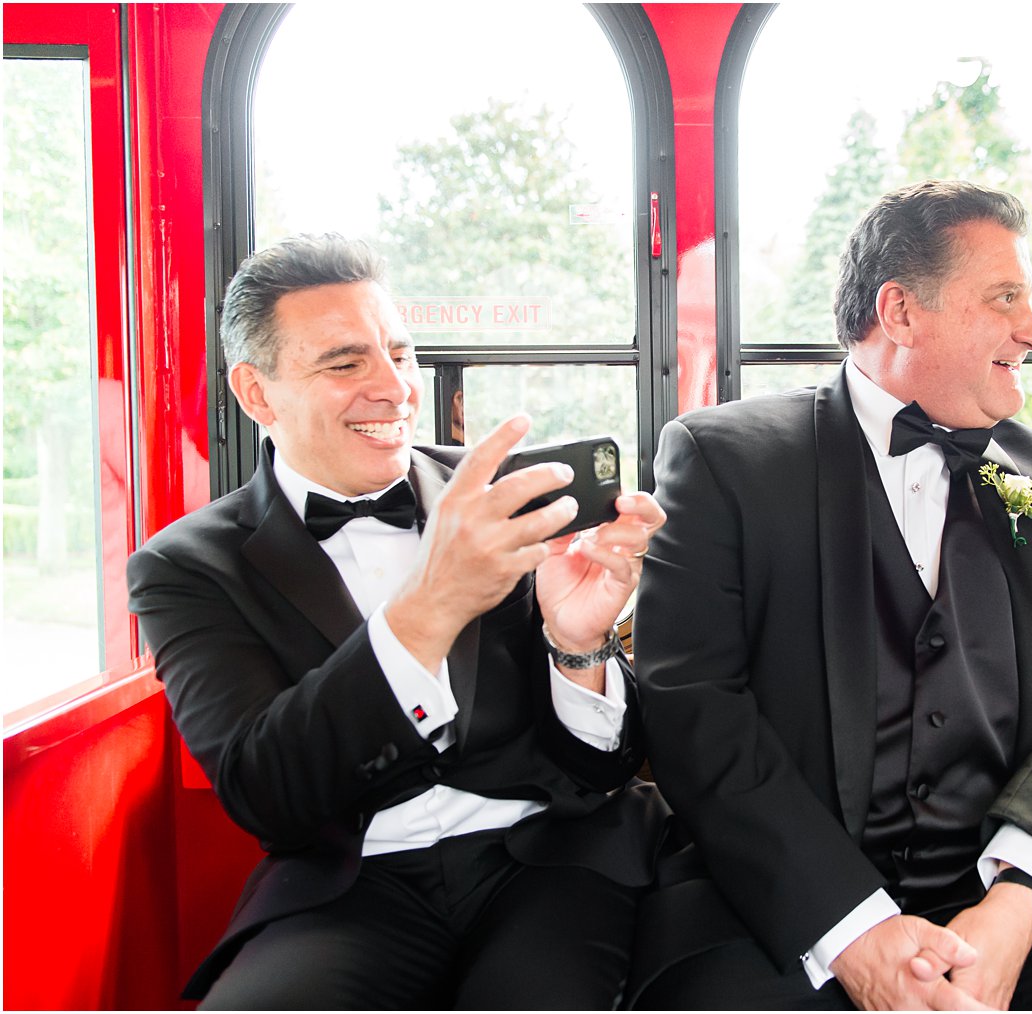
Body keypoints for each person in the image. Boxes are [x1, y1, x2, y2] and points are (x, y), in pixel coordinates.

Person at [629, 180, 1032, 1010]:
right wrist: (852, 929)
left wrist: (1015, 907)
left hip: (1002, 878)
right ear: (902, 312)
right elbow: (695, 713)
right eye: (1006, 299)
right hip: (779, 891)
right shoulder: (725, 462)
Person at [126, 234, 667, 1008]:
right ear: (256, 393)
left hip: (552, 859)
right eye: (345, 364)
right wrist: (430, 605)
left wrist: (576, 644)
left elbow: (604, 771)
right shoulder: (185, 566)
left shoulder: (495, 498)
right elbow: (266, 794)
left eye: (401, 354)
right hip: (348, 887)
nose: (394, 389)